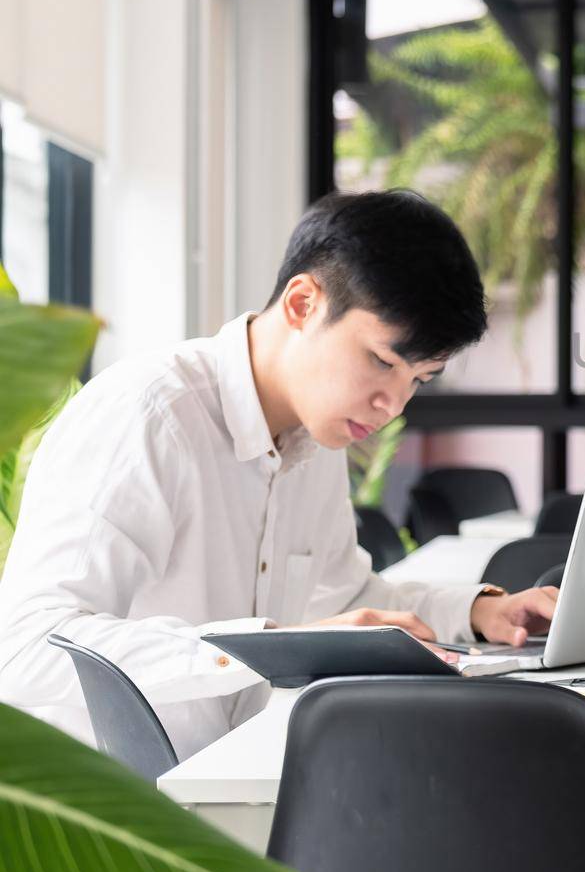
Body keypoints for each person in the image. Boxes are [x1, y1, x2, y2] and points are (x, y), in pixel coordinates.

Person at [0, 190, 557, 760]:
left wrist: (478, 612)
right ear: (302, 303)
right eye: (383, 362)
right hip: (125, 813)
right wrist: (262, 650)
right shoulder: (146, 416)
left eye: (419, 379)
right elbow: (23, 648)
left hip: (240, 777)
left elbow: (347, 592)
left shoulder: (317, 434)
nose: (393, 404)